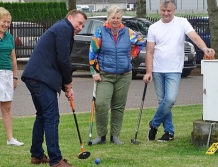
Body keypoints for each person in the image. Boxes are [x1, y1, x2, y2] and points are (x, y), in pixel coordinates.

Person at [21, 10, 87, 167]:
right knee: (51, 116)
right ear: (69, 17)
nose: (80, 27)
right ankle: (56, 160)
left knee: (43, 115)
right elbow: (63, 59)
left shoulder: (60, 28)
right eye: (79, 23)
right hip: (41, 77)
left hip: (35, 76)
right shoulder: (64, 28)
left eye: (83, 25)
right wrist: (68, 83)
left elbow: (58, 59)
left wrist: (66, 87)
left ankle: (36, 155)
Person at [143, 0, 215, 142]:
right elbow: (150, 52)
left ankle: (154, 124)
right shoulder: (153, 27)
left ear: (174, 10)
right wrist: (149, 72)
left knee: (169, 100)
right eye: (163, 10)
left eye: (169, 11)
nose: (166, 13)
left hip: (174, 69)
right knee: (163, 101)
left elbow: (194, 36)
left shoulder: (182, 22)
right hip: (158, 69)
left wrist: (204, 48)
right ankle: (169, 132)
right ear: (160, 10)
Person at [89, 5, 145, 145]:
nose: (115, 20)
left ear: (121, 19)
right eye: (113, 17)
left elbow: (140, 42)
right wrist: (94, 71)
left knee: (118, 106)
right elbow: (92, 52)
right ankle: (101, 135)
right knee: (101, 104)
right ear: (108, 18)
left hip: (124, 75)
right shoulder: (100, 31)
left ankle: (115, 136)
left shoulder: (128, 32)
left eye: (118, 18)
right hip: (105, 75)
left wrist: (131, 55)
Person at [0, 7, 24, 146]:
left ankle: (10, 139)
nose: (6, 25)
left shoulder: (9, 37)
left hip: (7, 74)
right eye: (4, 21)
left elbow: (14, 59)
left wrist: (15, 77)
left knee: (7, 108)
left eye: (8, 22)